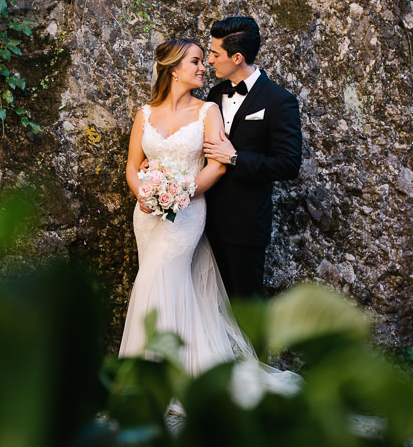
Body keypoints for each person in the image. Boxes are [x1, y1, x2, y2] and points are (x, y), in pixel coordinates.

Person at [119, 38, 300, 411]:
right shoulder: (144, 113)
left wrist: (183, 192)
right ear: (173, 69)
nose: (203, 68)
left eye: (205, 60)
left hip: (187, 210)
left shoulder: (208, 111)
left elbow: (217, 163)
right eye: (196, 62)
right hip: (148, 213)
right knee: (157, 283)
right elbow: (132, 166)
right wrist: (144, 194)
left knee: (161, 277)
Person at [202, 16, 303, 300]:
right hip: (206, 219)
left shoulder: (279, 101)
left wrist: (235, 158)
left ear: (237, 57)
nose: (209, 60)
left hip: (245, 226)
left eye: (215, 54)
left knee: (246, 306)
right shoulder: (214, 93)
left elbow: (288, 164)